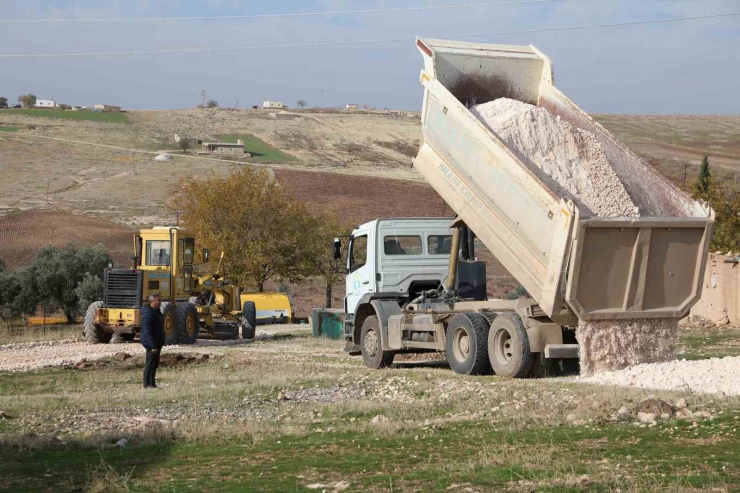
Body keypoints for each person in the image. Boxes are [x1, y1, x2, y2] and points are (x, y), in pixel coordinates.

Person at [140, 293, 165, 388]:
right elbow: (147, 332)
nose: (160, 302)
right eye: (158, 300)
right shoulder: (148, 315)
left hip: (157, 342)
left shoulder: (157, 312)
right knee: (150, 363)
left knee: (155, 363)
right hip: (151, 343)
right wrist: (152, 346)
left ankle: (152, 383)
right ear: (152, 301)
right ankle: (146, 384)